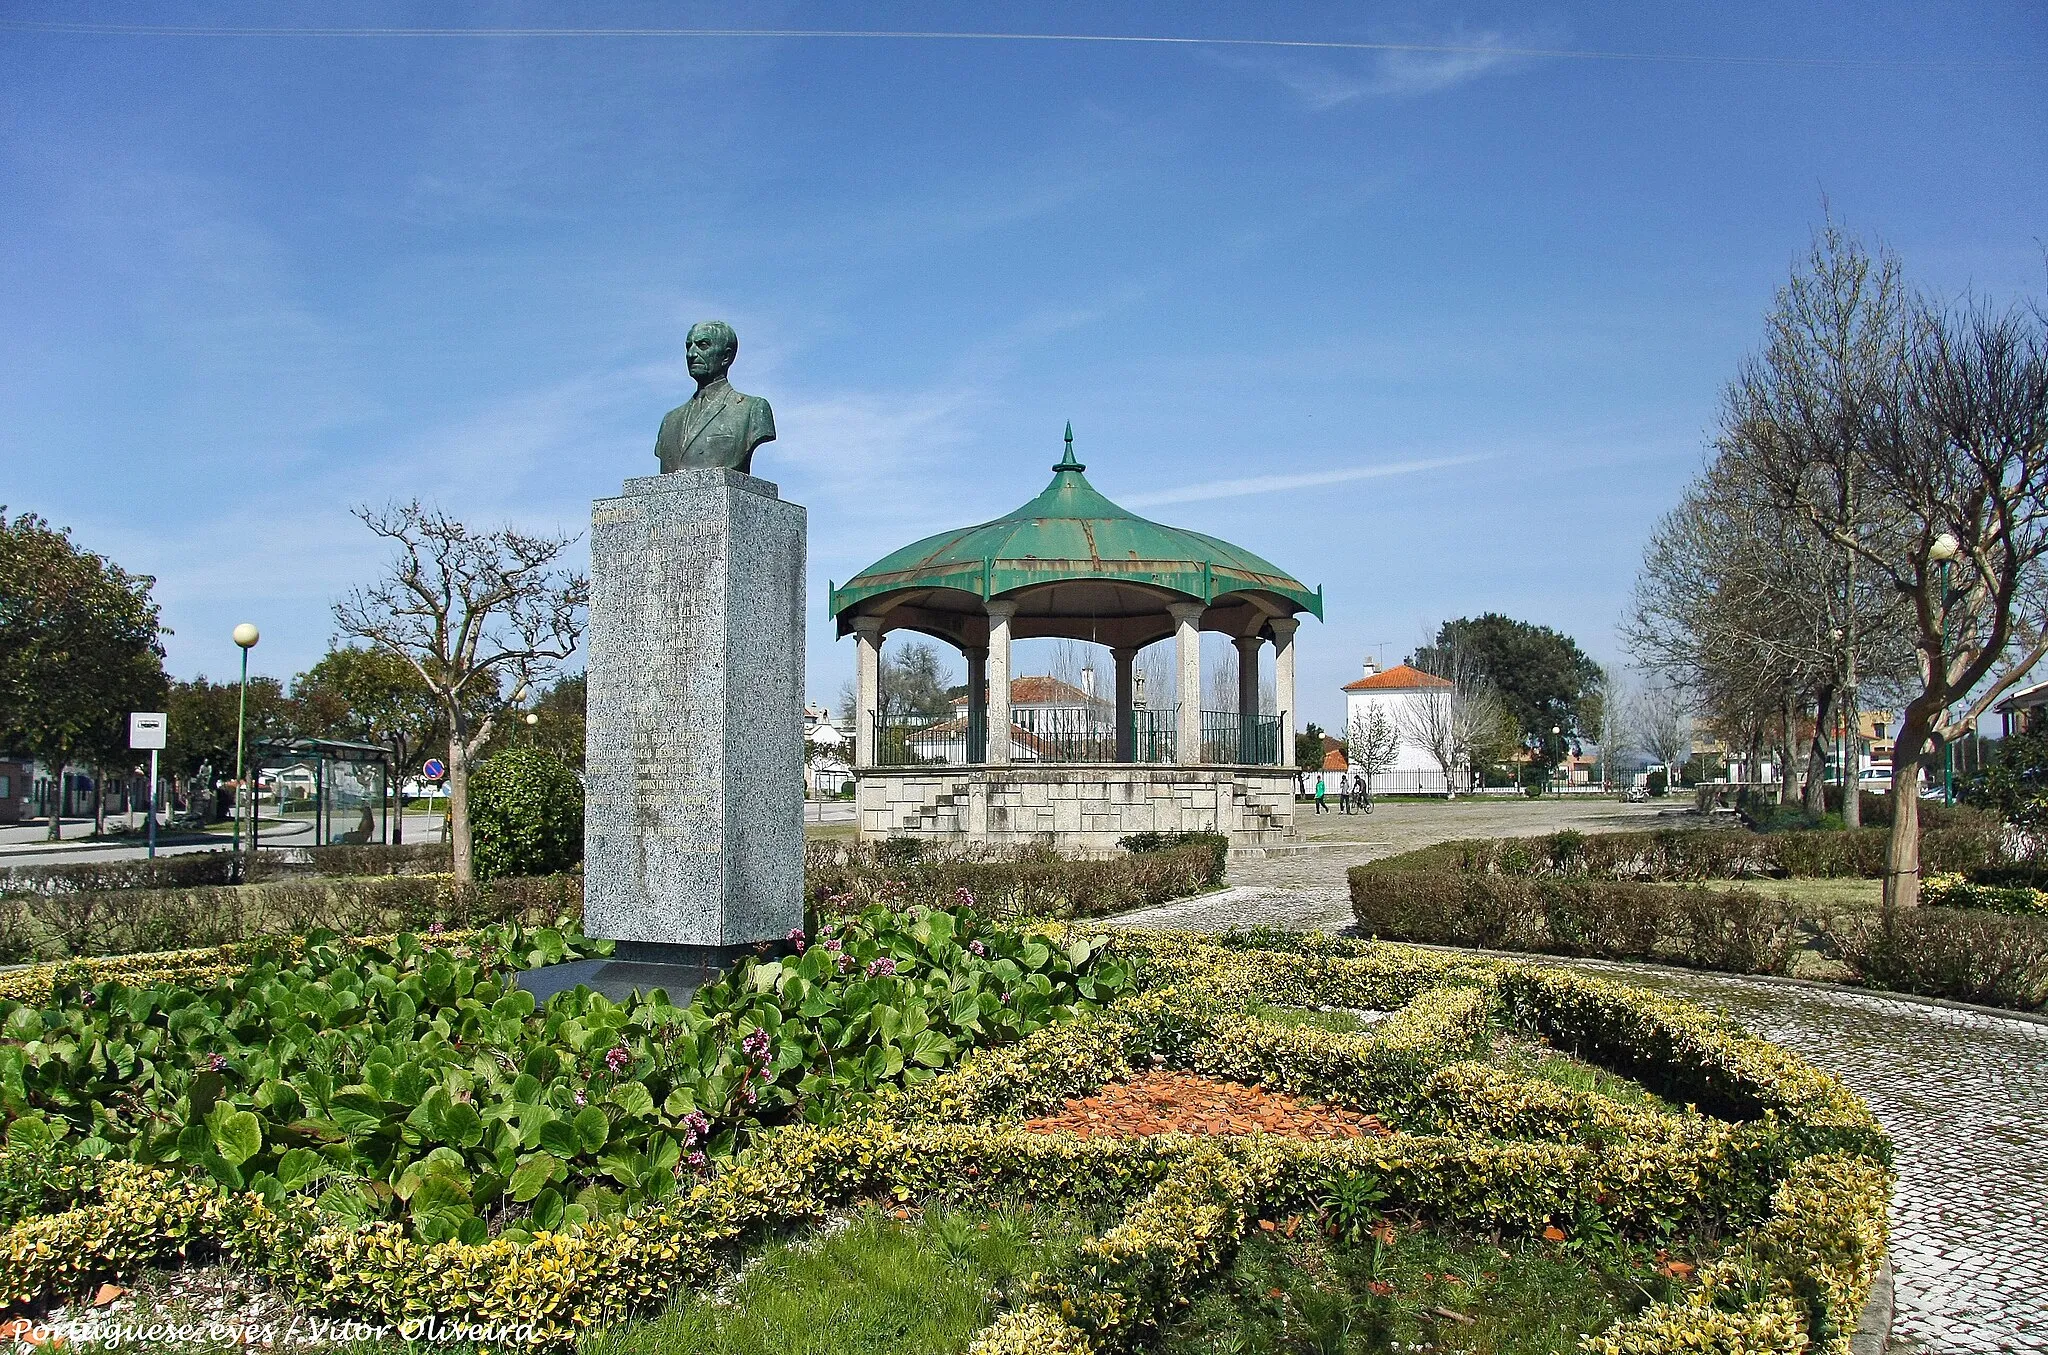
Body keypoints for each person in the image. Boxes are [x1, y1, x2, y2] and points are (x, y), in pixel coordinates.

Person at [654, 320, 777, 474]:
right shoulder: (670, 421)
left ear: (726, 356)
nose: (691, 354)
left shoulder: (752, 409)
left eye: (703, 345)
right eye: (688, 346)